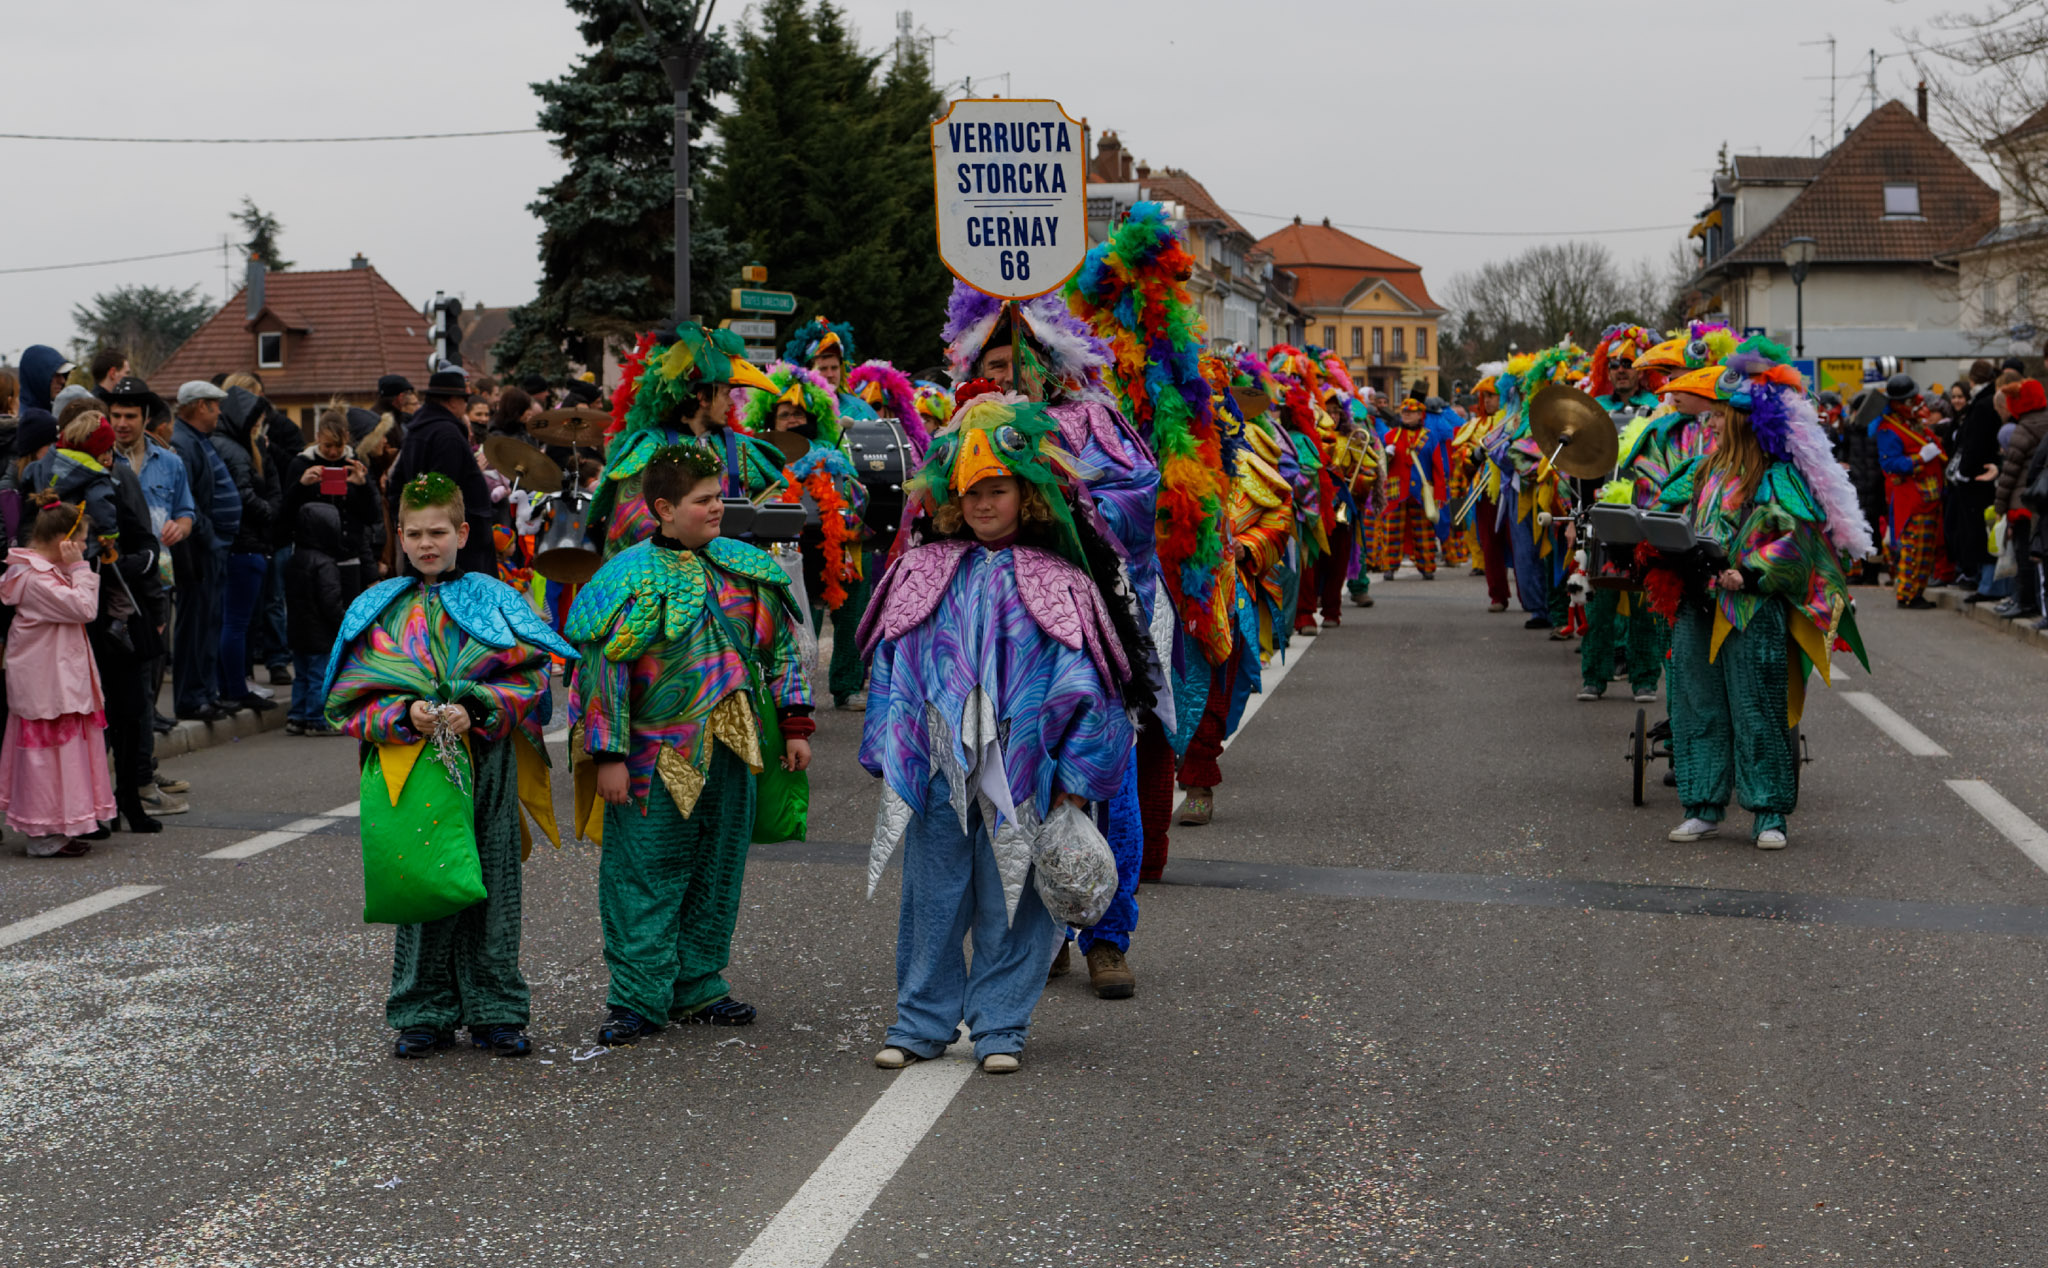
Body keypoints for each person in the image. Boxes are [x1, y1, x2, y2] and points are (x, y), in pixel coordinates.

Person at [859, 393, 1141, 1073]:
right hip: (935, 769)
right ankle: (921, 1021)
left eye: (999, 489)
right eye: (972, 491)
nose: (984, 503)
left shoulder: (1062, 582)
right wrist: (889, 751)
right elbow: (892, 668)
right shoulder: (920, 572)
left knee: (1014, 902)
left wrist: (1076, 782)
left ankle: (1001, 1026)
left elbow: (1090, 689)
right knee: (931, 899)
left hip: (1024, 771)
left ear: (1028, 494)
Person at [564, 444, 814, 1046]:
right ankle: (637, 998)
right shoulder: (625, 577)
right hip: (656, 759)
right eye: (703, 500)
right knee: (645, 873)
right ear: (663, 509)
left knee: (717, 867)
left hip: (733, 749)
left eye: (719, 496)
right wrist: (610, 756)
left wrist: (796, 722)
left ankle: (698, 984)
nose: (717, 509)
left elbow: (780, 649)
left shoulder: (747, 567)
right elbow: (601, 676)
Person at [323, 472, 576, 1059]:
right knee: (423, 882)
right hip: (411, 768)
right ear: (399, 537)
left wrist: (478, 705)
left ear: (463, 531)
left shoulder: (495, 598)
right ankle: (423, 1010)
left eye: (438, 531)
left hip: (485, 760)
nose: (426, 543)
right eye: (414, 534)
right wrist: (402, 713)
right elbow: (346, 701)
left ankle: (496, 1009)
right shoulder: (378, 608)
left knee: (493, 883)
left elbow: (534, 678)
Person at [1649, 339, 1872, 849]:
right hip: (1697, 601)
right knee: (1695, 706)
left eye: (1719, 415)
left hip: (1750, 608)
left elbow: (1794, 540)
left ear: (1747, 420)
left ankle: (1768, 814)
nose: (1708, 423)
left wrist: (1748, 575)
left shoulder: (1777, 477)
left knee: (1758, 710)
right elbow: (1666, 511)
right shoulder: (1701, 472)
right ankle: (1702, 805)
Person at [738, 363, 870, 708]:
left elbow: (858, 498)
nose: (793, 419)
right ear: (771, 419)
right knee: (791, 617)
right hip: (781, 546)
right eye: (785, 414)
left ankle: (847, 684)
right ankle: (791, 690)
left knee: (855, 590)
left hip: (832, 543)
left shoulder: (832, 451)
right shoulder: (760, 453)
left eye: (799, 413)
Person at [594, 325, 781, 554]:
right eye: (725, 394)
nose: (731, 404)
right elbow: (633, 522)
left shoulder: (740, 446)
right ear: (702, 397)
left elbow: (772, 496)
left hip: (732, 577)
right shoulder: (649, 447)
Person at [0, 503, 115, 856]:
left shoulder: (43, 572)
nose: (84, 548)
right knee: (47, 757)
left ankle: (62, 826)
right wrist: (80, 568)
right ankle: (44, 834)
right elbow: (84, 609)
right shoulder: (36, 578)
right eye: (80, 542)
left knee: (60, 756)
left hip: (56, 679)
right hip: (48, 683)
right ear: (63, 541)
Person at [168, 382, 241, 721]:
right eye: (214, 406)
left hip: (211, 548)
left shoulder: (198, 440)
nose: (219, 412)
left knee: (209, 621)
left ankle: (205, 692)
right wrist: (209, 535)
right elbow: (187, 498)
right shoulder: (183, 442)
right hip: (198, 550)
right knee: (196, 624)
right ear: (199, 407)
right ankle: (192, 696)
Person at [211, 387, 282, 711]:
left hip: (237, 544)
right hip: (245, 545)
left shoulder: (223, 445)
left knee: (229, 621)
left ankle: (229, 686)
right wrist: (269, 512)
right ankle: (236, 688)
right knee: (236, 623)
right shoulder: (238, 451)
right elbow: (243, 494)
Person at [387, 370, 495, 576]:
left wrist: (407, 522)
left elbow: (396, 483)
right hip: (455, 551)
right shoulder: (447, 435)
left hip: (425, 539)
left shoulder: (417, 430)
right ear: (452, 401)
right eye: (464, 399)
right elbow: (444, 490)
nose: (465, 405)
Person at [280, 407, 380, 601]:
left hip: (348, 556)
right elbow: (285, 516)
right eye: (327, 446)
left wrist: (363, 486)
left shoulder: (355, 464)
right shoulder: (301, 464)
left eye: (339, 445)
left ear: (347, 438)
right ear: (317, 437)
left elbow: (372, 517)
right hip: (312, 558)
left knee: (347, 619)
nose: (333, 452)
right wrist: (301, 486)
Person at [1872, 373, 1944, 609]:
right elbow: (1890, 464)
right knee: (1913, 546)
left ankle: (1918, 591)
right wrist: (1919, 458)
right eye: (1911, 399)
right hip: (1911, 497)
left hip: (1929, 494)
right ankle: (1907, 593)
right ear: (1899, 402)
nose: (1917, 402)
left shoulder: (1912, 423)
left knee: (1927, 547)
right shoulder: (1888, 429)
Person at [282, 503, 347, 735]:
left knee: (301, 676)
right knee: (319, 676)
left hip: (298, 631)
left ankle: (297, 716)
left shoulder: (294, 559)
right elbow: (331, 602)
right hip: (320, 633)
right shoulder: (325, 564)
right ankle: (316, 718)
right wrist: (343, 624)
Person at [1950, 361, 2006, 603]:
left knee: (1982, 532)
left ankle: (1989, 585)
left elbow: (1974, 444)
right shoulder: (1987, 402)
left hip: (1978, 478)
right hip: (1983, 475)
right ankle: (1986, 582)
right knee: (1985, 531)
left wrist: (1964, 471)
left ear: (1972, 381)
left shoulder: (1982, 406)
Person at [1375, 396, 1444, 581]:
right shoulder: (1391, 436)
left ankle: (1427, 566)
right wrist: (1386, 456)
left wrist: (1439, 494)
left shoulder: (1429, 437)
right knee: (1392, 532)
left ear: (1419, 415)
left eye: (1410, 412)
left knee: (1424, 532)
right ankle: (1389, 566)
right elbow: (1381, 465)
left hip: (1421, 493)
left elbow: (1438, 467)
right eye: (1404, 411)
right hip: (1396, 492)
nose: (1406, 415)